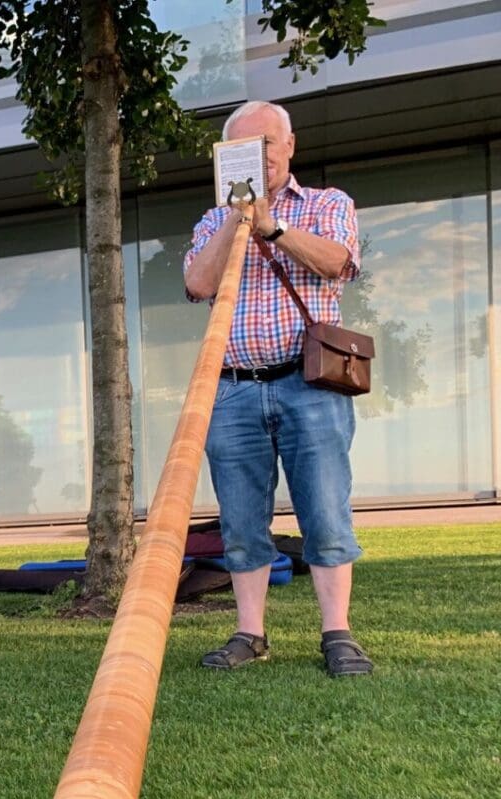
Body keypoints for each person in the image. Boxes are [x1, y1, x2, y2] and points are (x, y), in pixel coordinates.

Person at [183, 100, 371, 677]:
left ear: (289, 146)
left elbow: (337, 262)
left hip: (309, 385)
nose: (258, 155)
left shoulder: (326, 203)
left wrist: (273, 227)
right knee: (240, 521)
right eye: (243, 147)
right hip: (234, 389)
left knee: (325, 511)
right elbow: (197, 283)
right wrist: (236, 219)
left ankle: (337, 633)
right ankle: (250, 633)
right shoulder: (212, 221)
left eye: (267, 143)